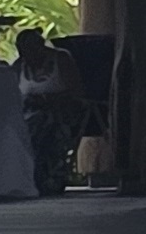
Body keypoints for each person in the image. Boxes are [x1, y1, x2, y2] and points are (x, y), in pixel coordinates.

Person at [13, 29, 90, 195]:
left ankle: (45, 172)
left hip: (62, 111)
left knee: (43, 122)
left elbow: (77, 91)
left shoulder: (60, 59)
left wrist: (48, 99)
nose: (29, 55)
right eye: (24, 51)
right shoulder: (20, 66)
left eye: (32, 49)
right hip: (29, 113)